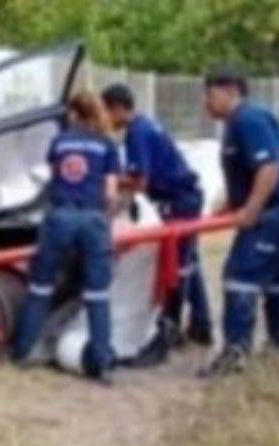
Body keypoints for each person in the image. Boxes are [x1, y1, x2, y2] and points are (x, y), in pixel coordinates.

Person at [200, 70, 279, 377]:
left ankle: (236, 354)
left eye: (210, 95)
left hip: (275, 213)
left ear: (231, 91)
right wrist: (222, 209)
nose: (206, 103)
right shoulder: (246, 121)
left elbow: (269, 167)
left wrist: (250, 210)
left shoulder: (248, 120)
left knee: (240, 275)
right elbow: (248, 175)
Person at [12, 92, 122, 383]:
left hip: (59, 217)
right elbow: (110, 193)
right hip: (92, 219)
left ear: (73, 113)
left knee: (40, 287)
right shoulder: (106, 144)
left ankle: (23, 351)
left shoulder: (59, 142)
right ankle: (102, 363)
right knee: (98, 294)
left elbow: (53, 179)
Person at [101, 83, 212, 347]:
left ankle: (170, 331)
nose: (104, 120)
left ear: (118, 108)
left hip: (178, 201)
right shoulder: (146, 125)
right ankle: (201, 324)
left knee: (179, 265)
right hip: (186, 196)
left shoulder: (136, 133)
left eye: (106, 112)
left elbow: (139, 180)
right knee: (189, 262)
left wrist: (109, 181)